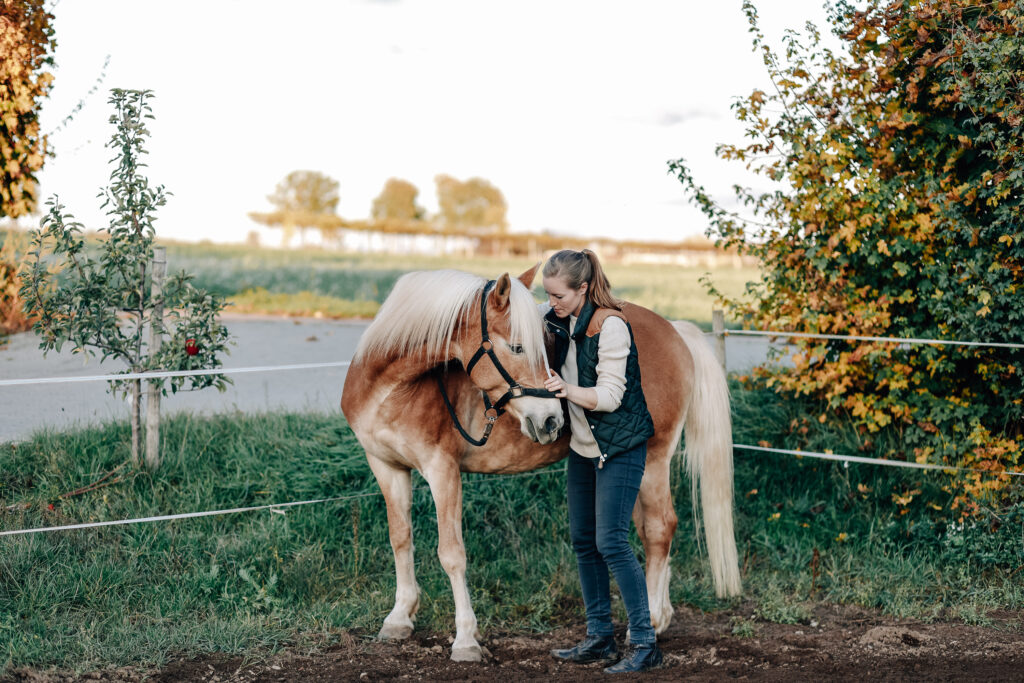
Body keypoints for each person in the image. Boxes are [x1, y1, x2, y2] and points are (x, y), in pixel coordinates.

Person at [541, 249, 662, 674]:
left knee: (611, 541)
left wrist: (565, 389)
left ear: (583, 289)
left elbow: (609, 398)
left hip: (620, 445)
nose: (551, 302)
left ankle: (646, 644)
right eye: (547, 294)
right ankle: (600, 638)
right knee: (583, 539)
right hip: (582, 446)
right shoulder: (559, 318)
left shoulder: (611, 326)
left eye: (558, 295)